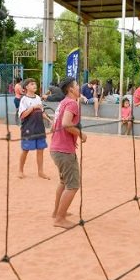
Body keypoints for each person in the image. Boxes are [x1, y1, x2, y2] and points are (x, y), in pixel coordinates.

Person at [50, 76, 87, 229]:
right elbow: (66, 124)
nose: (79, 87)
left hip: (56, 148)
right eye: (77, 85)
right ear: (71, 89)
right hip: (63, 151)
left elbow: (53, 126)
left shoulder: (62, 103)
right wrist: (80, 134)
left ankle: (57, 212)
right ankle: (60, 218)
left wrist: (70, 138)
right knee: (72, 185)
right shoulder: (72, 103)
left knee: (64, 182)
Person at [18, 78, 50, 180]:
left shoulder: (38, 98)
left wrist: (49, 120)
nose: (34, 85)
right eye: (32, 84)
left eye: (35, 84)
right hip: (28, 128)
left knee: (40, 150)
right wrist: (32, 107)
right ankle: (20, 170)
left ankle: (40, 172)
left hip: (39, 128)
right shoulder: (24, 99)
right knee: (25, 150)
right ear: (26, 87)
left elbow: (42, 112)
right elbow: (22, 115)